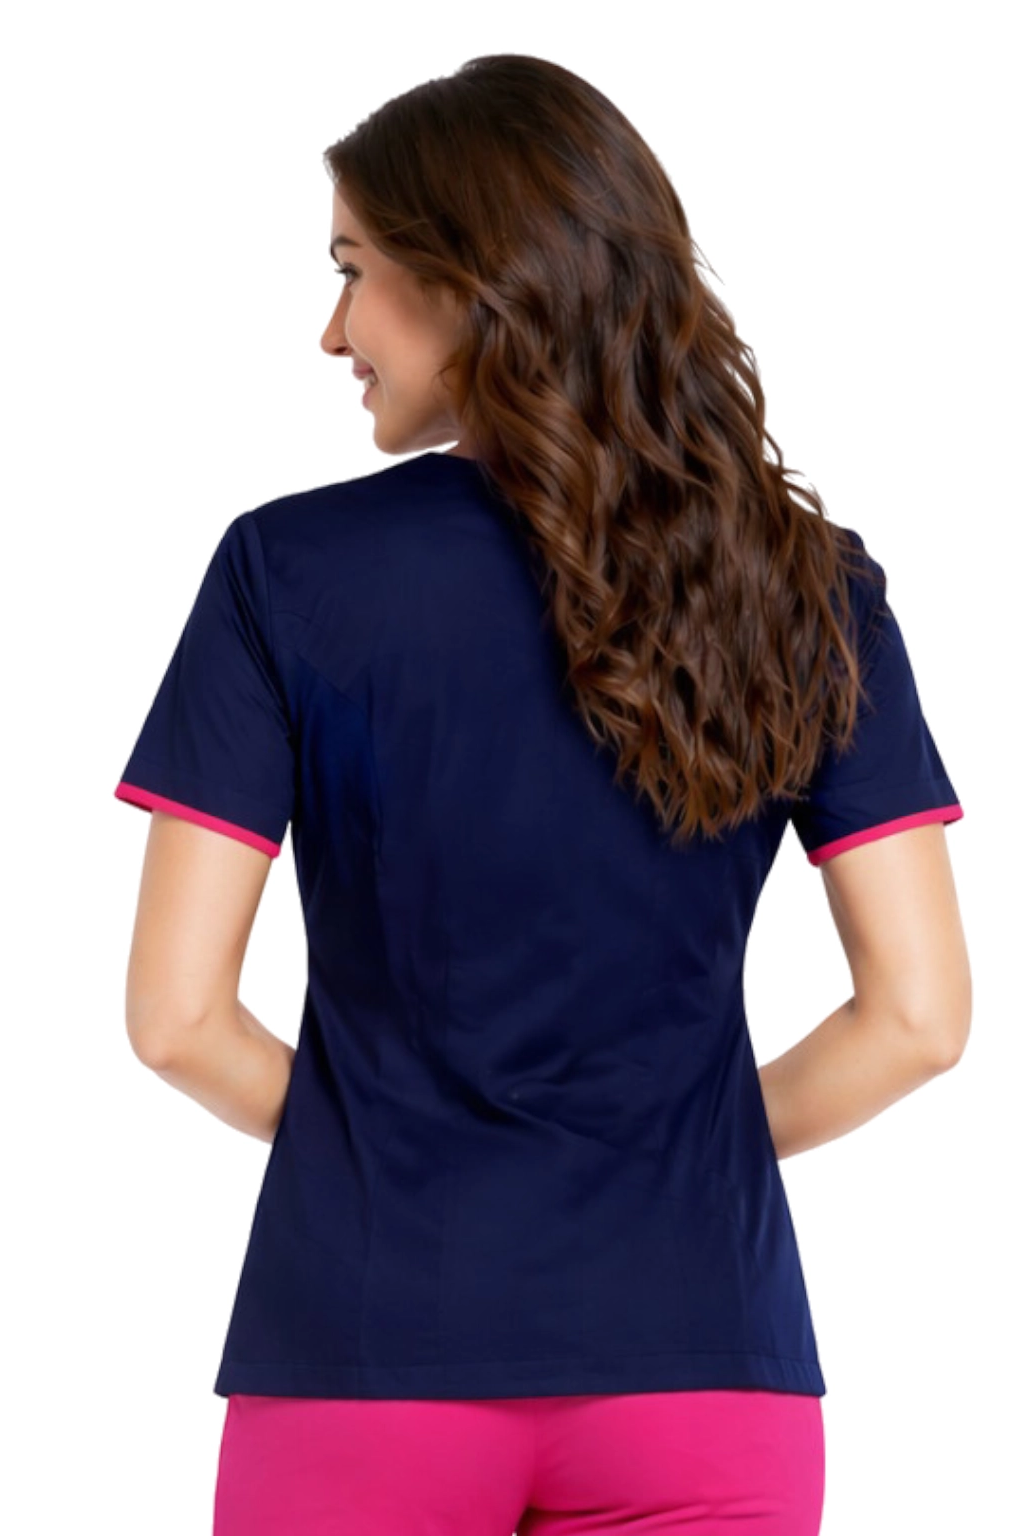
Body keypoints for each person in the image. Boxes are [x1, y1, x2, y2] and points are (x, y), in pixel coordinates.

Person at [113, 53, 970, 1536]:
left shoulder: (286, 571)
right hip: (706, 1367)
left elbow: (177, 1019)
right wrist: (655, 1147)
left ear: (470, 283)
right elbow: (919, 1019)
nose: (332, 332)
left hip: (371, 1355)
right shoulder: (805, 585)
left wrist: (403, 1143)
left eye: (353, 272)